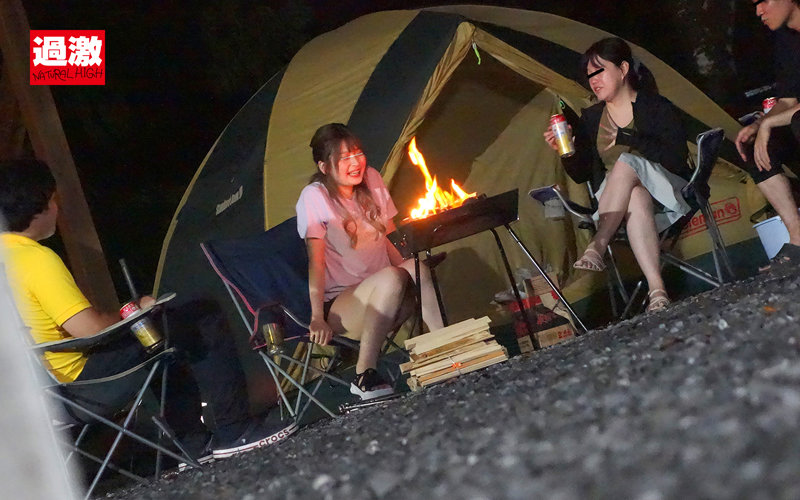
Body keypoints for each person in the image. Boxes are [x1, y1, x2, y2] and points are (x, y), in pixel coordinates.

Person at [0, 159, 296, 467]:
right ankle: (236, 430)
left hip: (39, 397)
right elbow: (89, 329)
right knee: (200, 316)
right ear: (37, 206)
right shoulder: (34, 259)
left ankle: (193, 443)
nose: (57, 208)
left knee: (160, 334)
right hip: (81, 387)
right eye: (53, 199)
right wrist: (134, 313)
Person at [296, 123, 444, 400]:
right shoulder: (315, 196)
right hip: (344, 307)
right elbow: (316, 263)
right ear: (324, 167)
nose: (355, 163)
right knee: (392, 276)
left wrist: (412, 267)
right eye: (344, 158)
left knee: (416, 268)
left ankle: (446, 349)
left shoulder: (372, 178)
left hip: (389, 294)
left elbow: (389, 237)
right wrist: (316, 317)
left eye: (358, 153)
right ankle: (363, 374)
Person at [543, 37, 692, 313]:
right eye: (589, 75)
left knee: (625, 162)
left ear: (623, 69)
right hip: (618, 206)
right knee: (635, 195)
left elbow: (676, 158)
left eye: (599, 72)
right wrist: (568, 152)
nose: (593, 80)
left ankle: (598, 244)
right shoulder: (591, 119)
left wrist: (628, 138)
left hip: (666, 193)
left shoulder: (655, 106)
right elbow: (582, 175)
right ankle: (658, 291)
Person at [735, 0, 800, 266]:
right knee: (755, 146)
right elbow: (787, 100)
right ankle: (797, 236)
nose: (758, 11)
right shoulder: (787, 40)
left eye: (764, 1)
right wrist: (760, 125)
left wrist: (769, 124)